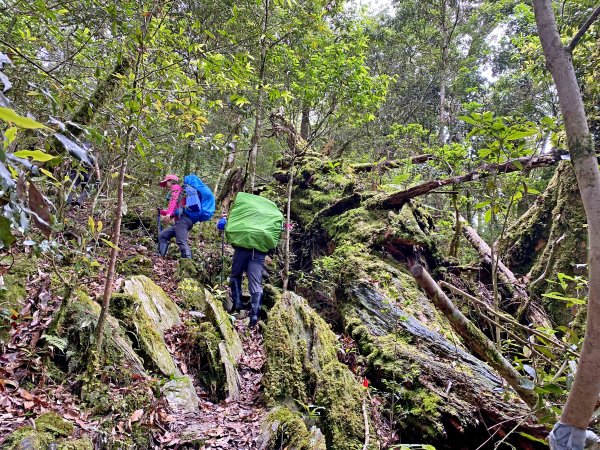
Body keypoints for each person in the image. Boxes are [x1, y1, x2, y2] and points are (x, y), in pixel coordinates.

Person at [217, 213, 266, 327]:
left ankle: (237, 304)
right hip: (258, 253)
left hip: (241, 250)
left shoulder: (240, 216)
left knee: (235, 275)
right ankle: (254, 317)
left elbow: (221, 225)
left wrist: (224, 218)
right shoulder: (264, 221)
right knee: (255, 284)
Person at [158, 174, 193, 258]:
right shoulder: (180, 191)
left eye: (166, 182)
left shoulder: (176, 187)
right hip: (181, 221)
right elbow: (176, 211)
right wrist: (161, 212)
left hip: (183, 220)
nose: (166, 185)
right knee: (163, 235)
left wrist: (168, 213)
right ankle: (160, 257)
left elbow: (173, 201)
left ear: (171, 181)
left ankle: (188, 265)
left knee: (181, 241)